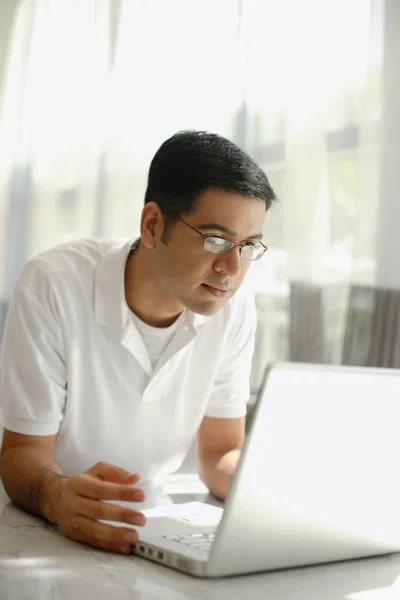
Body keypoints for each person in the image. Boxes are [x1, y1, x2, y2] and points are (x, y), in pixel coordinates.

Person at [0, 130, 276, 554]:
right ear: (152, 225)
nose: (231, 268)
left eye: (248, 245)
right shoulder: (54, 285)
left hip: (151, 519)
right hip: (43, 525)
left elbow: (221, 453)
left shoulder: (234, 309)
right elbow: (21, 452)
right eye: (216, 239)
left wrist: (280, 492)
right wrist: (57, 498)